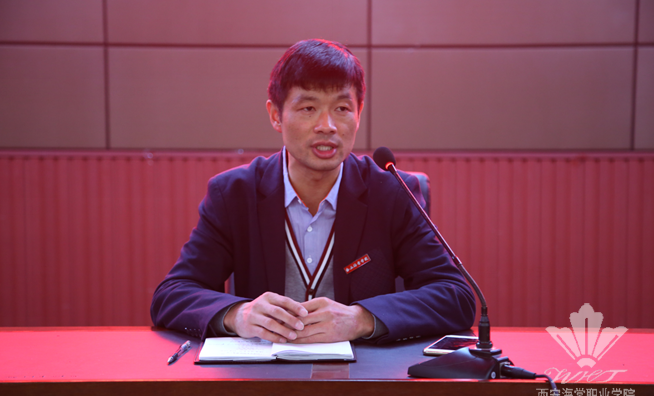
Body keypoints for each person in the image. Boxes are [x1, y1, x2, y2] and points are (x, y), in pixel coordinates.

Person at [150, 39, 475, 345]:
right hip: (260, 377)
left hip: (364, 376)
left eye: (342, 109)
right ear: (276, 115)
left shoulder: (391, 192)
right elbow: (173, 294)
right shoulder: (234, 194)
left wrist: (361, 319)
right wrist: (238, 315)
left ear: (359, 113)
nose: (327, 126)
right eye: (308, 108)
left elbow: (455, 295)